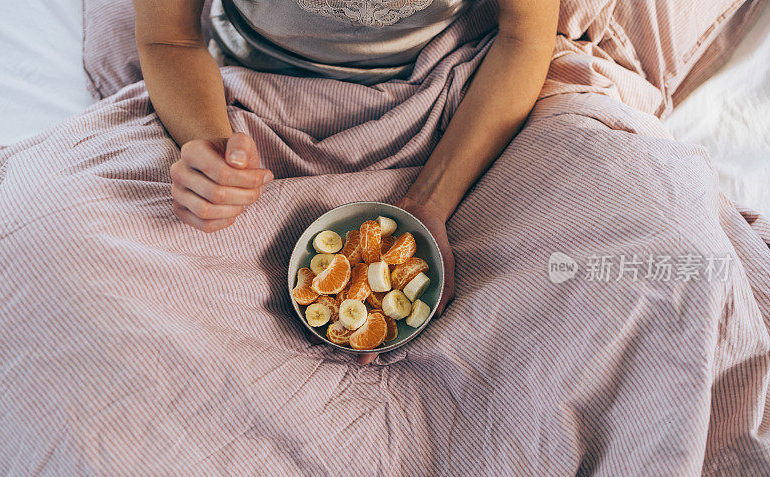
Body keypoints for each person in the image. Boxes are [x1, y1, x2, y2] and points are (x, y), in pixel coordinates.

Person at [132, 0, 561, 357]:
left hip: (461, 90)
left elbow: (524, 36)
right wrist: (211, 149)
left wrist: (429, 202)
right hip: (251, 94)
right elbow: (169, 37)